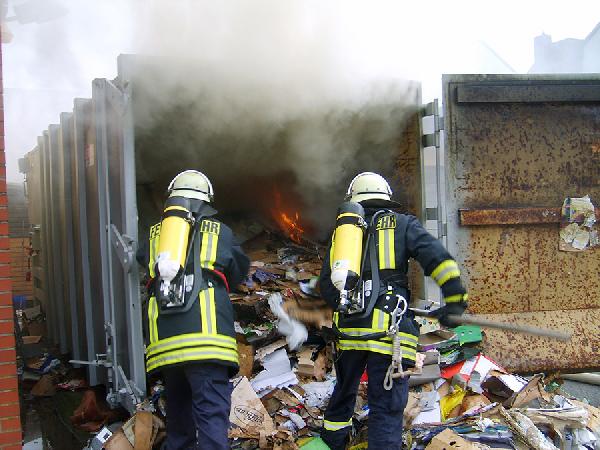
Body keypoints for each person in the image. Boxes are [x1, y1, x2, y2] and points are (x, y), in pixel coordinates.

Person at [318, 172, 468, 450]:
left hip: (348, 335)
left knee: (343, 394)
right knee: (385, 408)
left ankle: (332, 443)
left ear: (354, 200)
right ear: (386, 198)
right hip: (390, 334)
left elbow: (327, 285)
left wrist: (350, 310)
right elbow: (438, 260)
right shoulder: (403, 224)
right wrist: (455, 301)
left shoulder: (343, 233)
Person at [139, 170, 249, 450]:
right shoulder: (220, 232)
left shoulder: (154, 236)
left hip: (166, 345)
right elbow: (238, 269)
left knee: (179, 416)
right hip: (206, 343)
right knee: (211, 414)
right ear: (206, 201)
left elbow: (142, 260)